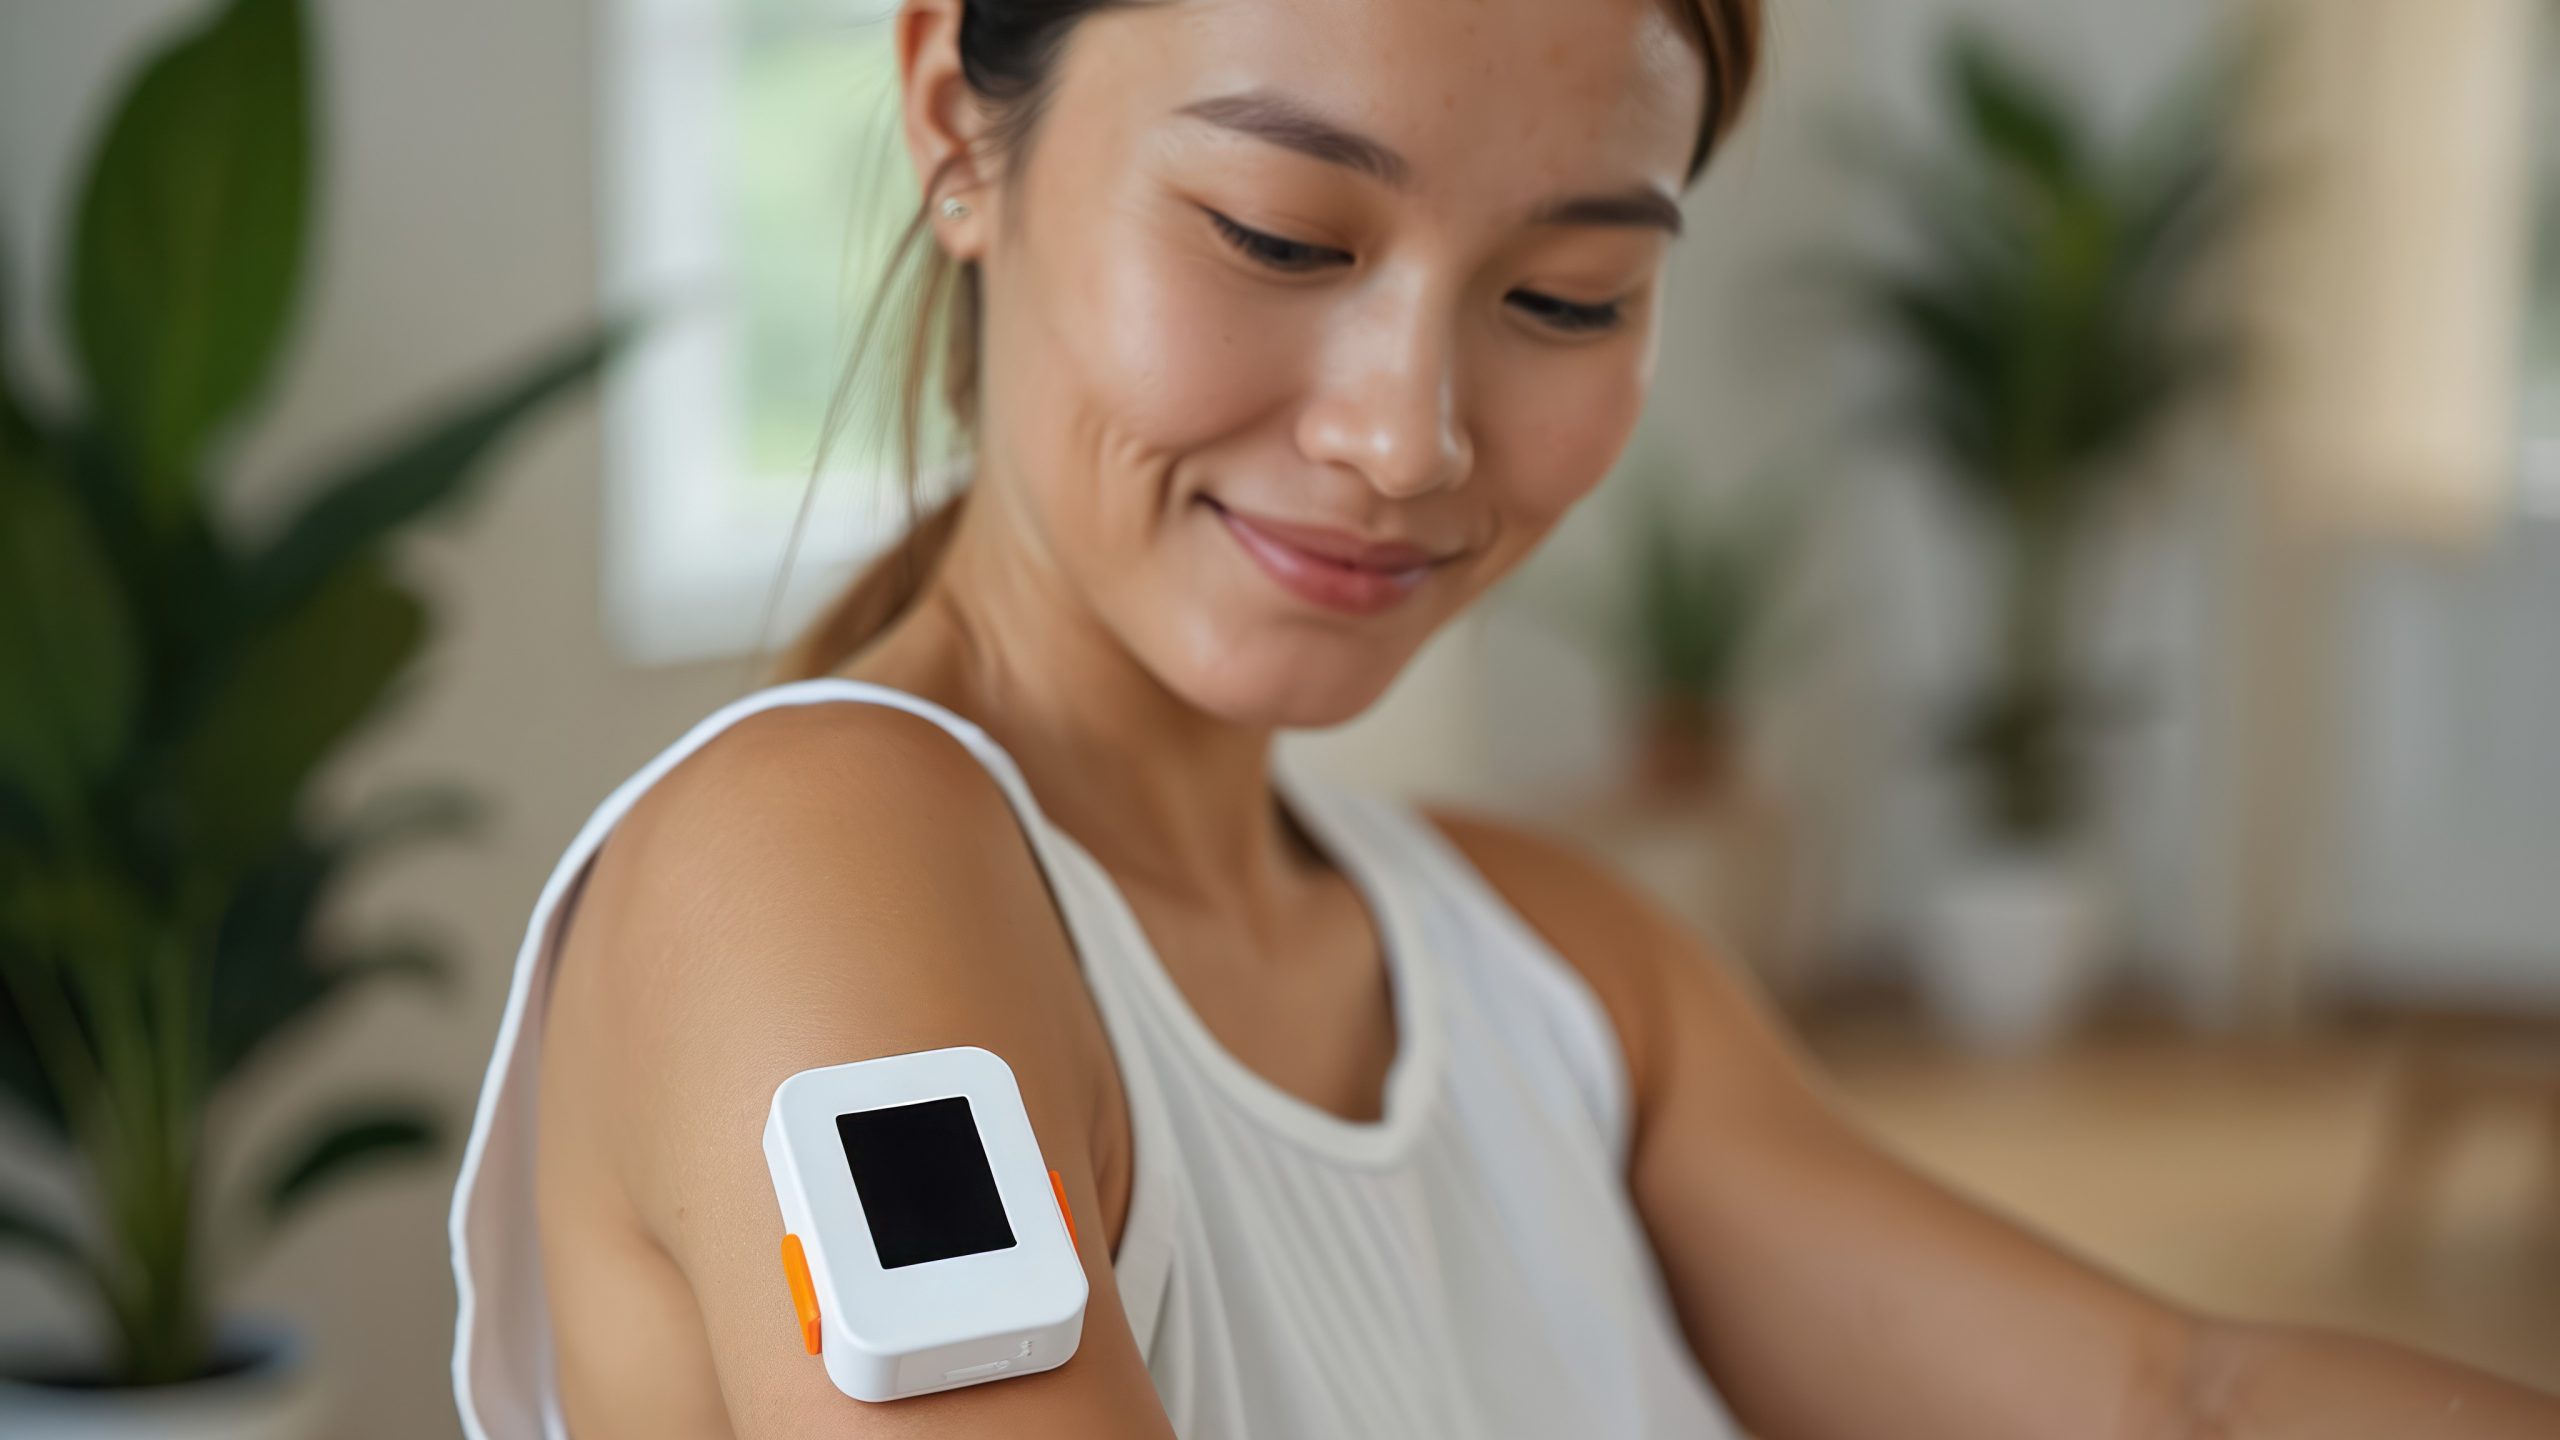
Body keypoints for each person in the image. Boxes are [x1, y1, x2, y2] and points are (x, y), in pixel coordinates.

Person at [447, 0, 2560, 1436]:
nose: (1404, 435)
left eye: (1567, 295)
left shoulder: (1559, 966)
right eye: (1279, 233)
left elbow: (2166, 1397)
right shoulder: (821, 861)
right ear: (947, 121)